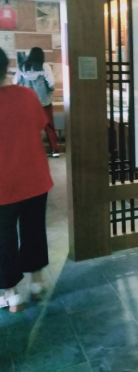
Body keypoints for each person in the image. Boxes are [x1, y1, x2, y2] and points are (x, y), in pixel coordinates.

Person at [0, 48, 53, 313]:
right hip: (35, 177)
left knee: (3, 237)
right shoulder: (27, 95)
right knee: (34, 230)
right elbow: (39, 128)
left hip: (3, 185)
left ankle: (11, 294)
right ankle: (37, 283)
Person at [13, 47, 59, 158]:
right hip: (44, 102)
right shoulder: (45, 67)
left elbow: (15, 82)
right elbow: (51, 83)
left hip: (27, 102)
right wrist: (50, 89)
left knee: (29, 127)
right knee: (49, 126)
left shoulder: (22, 67)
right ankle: (54, 150)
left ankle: (30, 151)